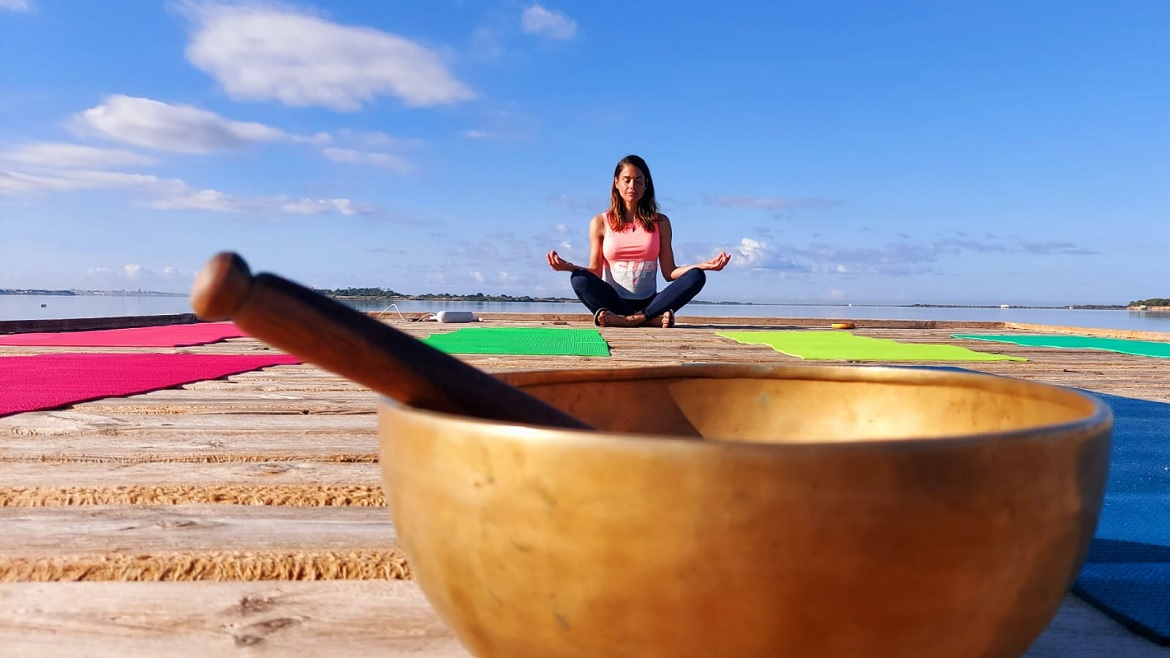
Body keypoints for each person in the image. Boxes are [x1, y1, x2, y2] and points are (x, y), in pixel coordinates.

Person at [546, 154, 731, 327]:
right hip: (614, 299)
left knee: (697, 276)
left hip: (651, 301)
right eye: (626, 180)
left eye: (638, 181)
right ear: (616, 182)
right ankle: (649, 319)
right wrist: (569, 267)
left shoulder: (661, 222)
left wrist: (704, 265)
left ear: (646, 185)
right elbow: (594, 271)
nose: (632, 186)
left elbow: (670, 272)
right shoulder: (600, 222)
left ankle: (632, 318)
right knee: (579, 279)